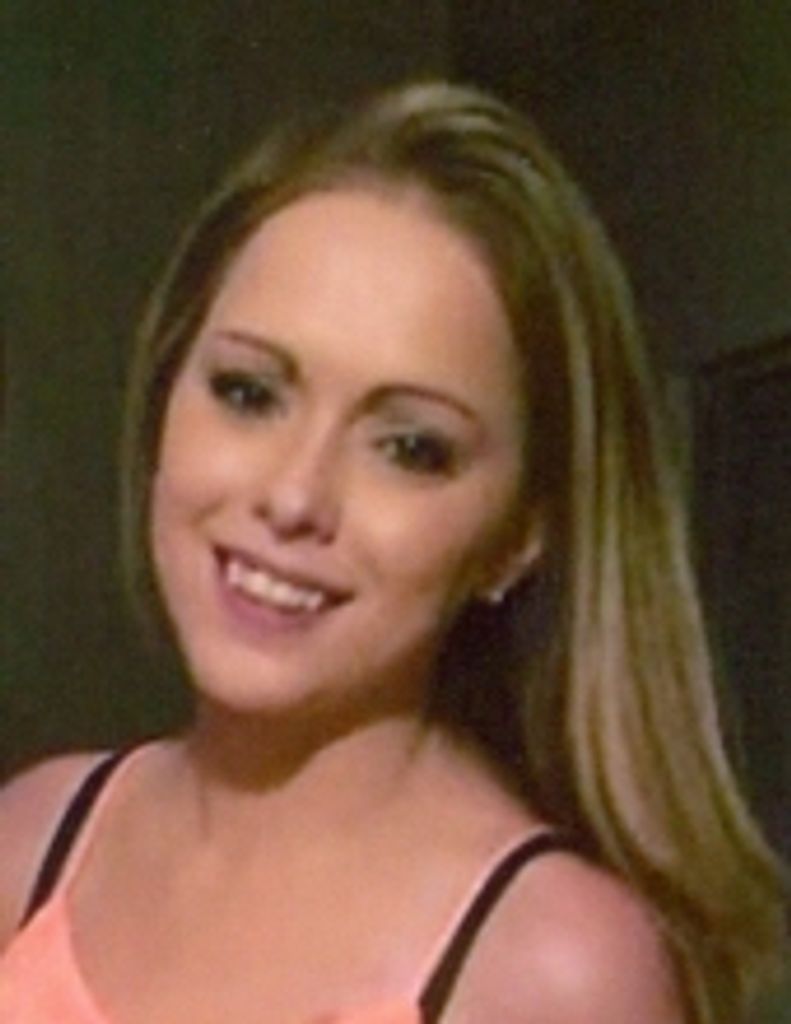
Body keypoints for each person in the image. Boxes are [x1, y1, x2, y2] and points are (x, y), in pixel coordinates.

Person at [0, 81, 784, 1024]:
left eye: (410, 448)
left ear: (518, 536)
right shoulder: (31, 843)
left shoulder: (556, 969)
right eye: (249, 393)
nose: (294, 496)